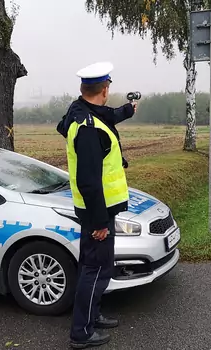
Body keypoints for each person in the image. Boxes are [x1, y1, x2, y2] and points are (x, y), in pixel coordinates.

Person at [56, 62, 136, 349]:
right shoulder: (88, 128)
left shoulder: (81, 113)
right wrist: (100, 222)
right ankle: (81, 333)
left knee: (101, 266)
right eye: (108, 89)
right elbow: (89, 180)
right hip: (96, 212)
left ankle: (93, 315)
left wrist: (127, 111)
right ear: (104, 90)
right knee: (92, 269)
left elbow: (107, 116)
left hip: (101, 209)